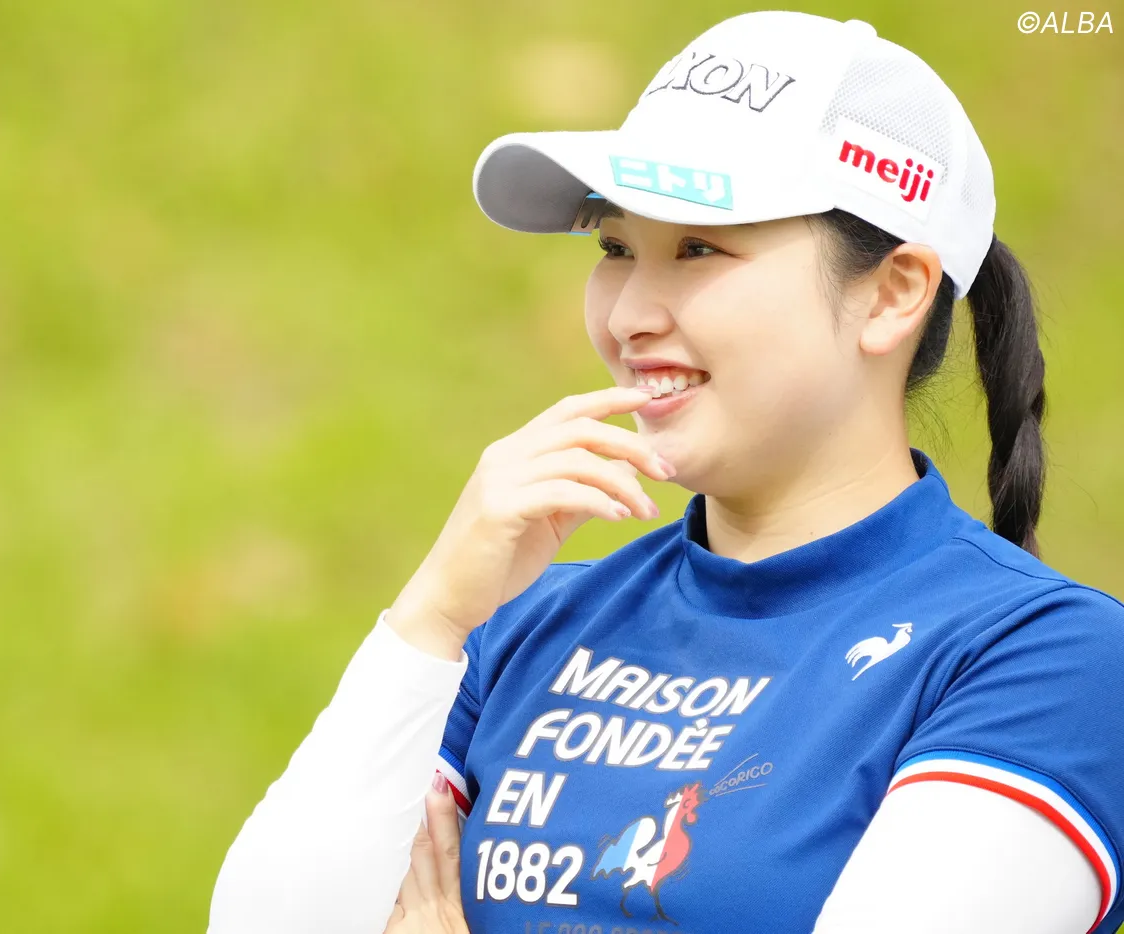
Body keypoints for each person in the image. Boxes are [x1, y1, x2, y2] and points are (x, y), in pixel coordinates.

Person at [209, 10, 1124, 934]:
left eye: (698, 248)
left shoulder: (1045, 660)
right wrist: (432, 618)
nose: (628, 317)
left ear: (893, 293)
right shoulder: (517, 627)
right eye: (615, 249)